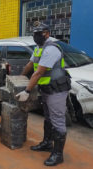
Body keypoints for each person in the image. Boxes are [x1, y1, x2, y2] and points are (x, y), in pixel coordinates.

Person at [16, 21, 71, 166]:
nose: (35, 36)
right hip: (46, 89)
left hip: (57, 90)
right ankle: (47, 143)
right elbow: (30, 65)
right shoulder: (39, 48)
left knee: (57, 120)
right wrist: (19, 78)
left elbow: (39, 72)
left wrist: (27, 91)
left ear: (47, 33)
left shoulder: (51, 49)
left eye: (38, 33)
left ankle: (58, 155)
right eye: (34, 33)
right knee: (48, 118)